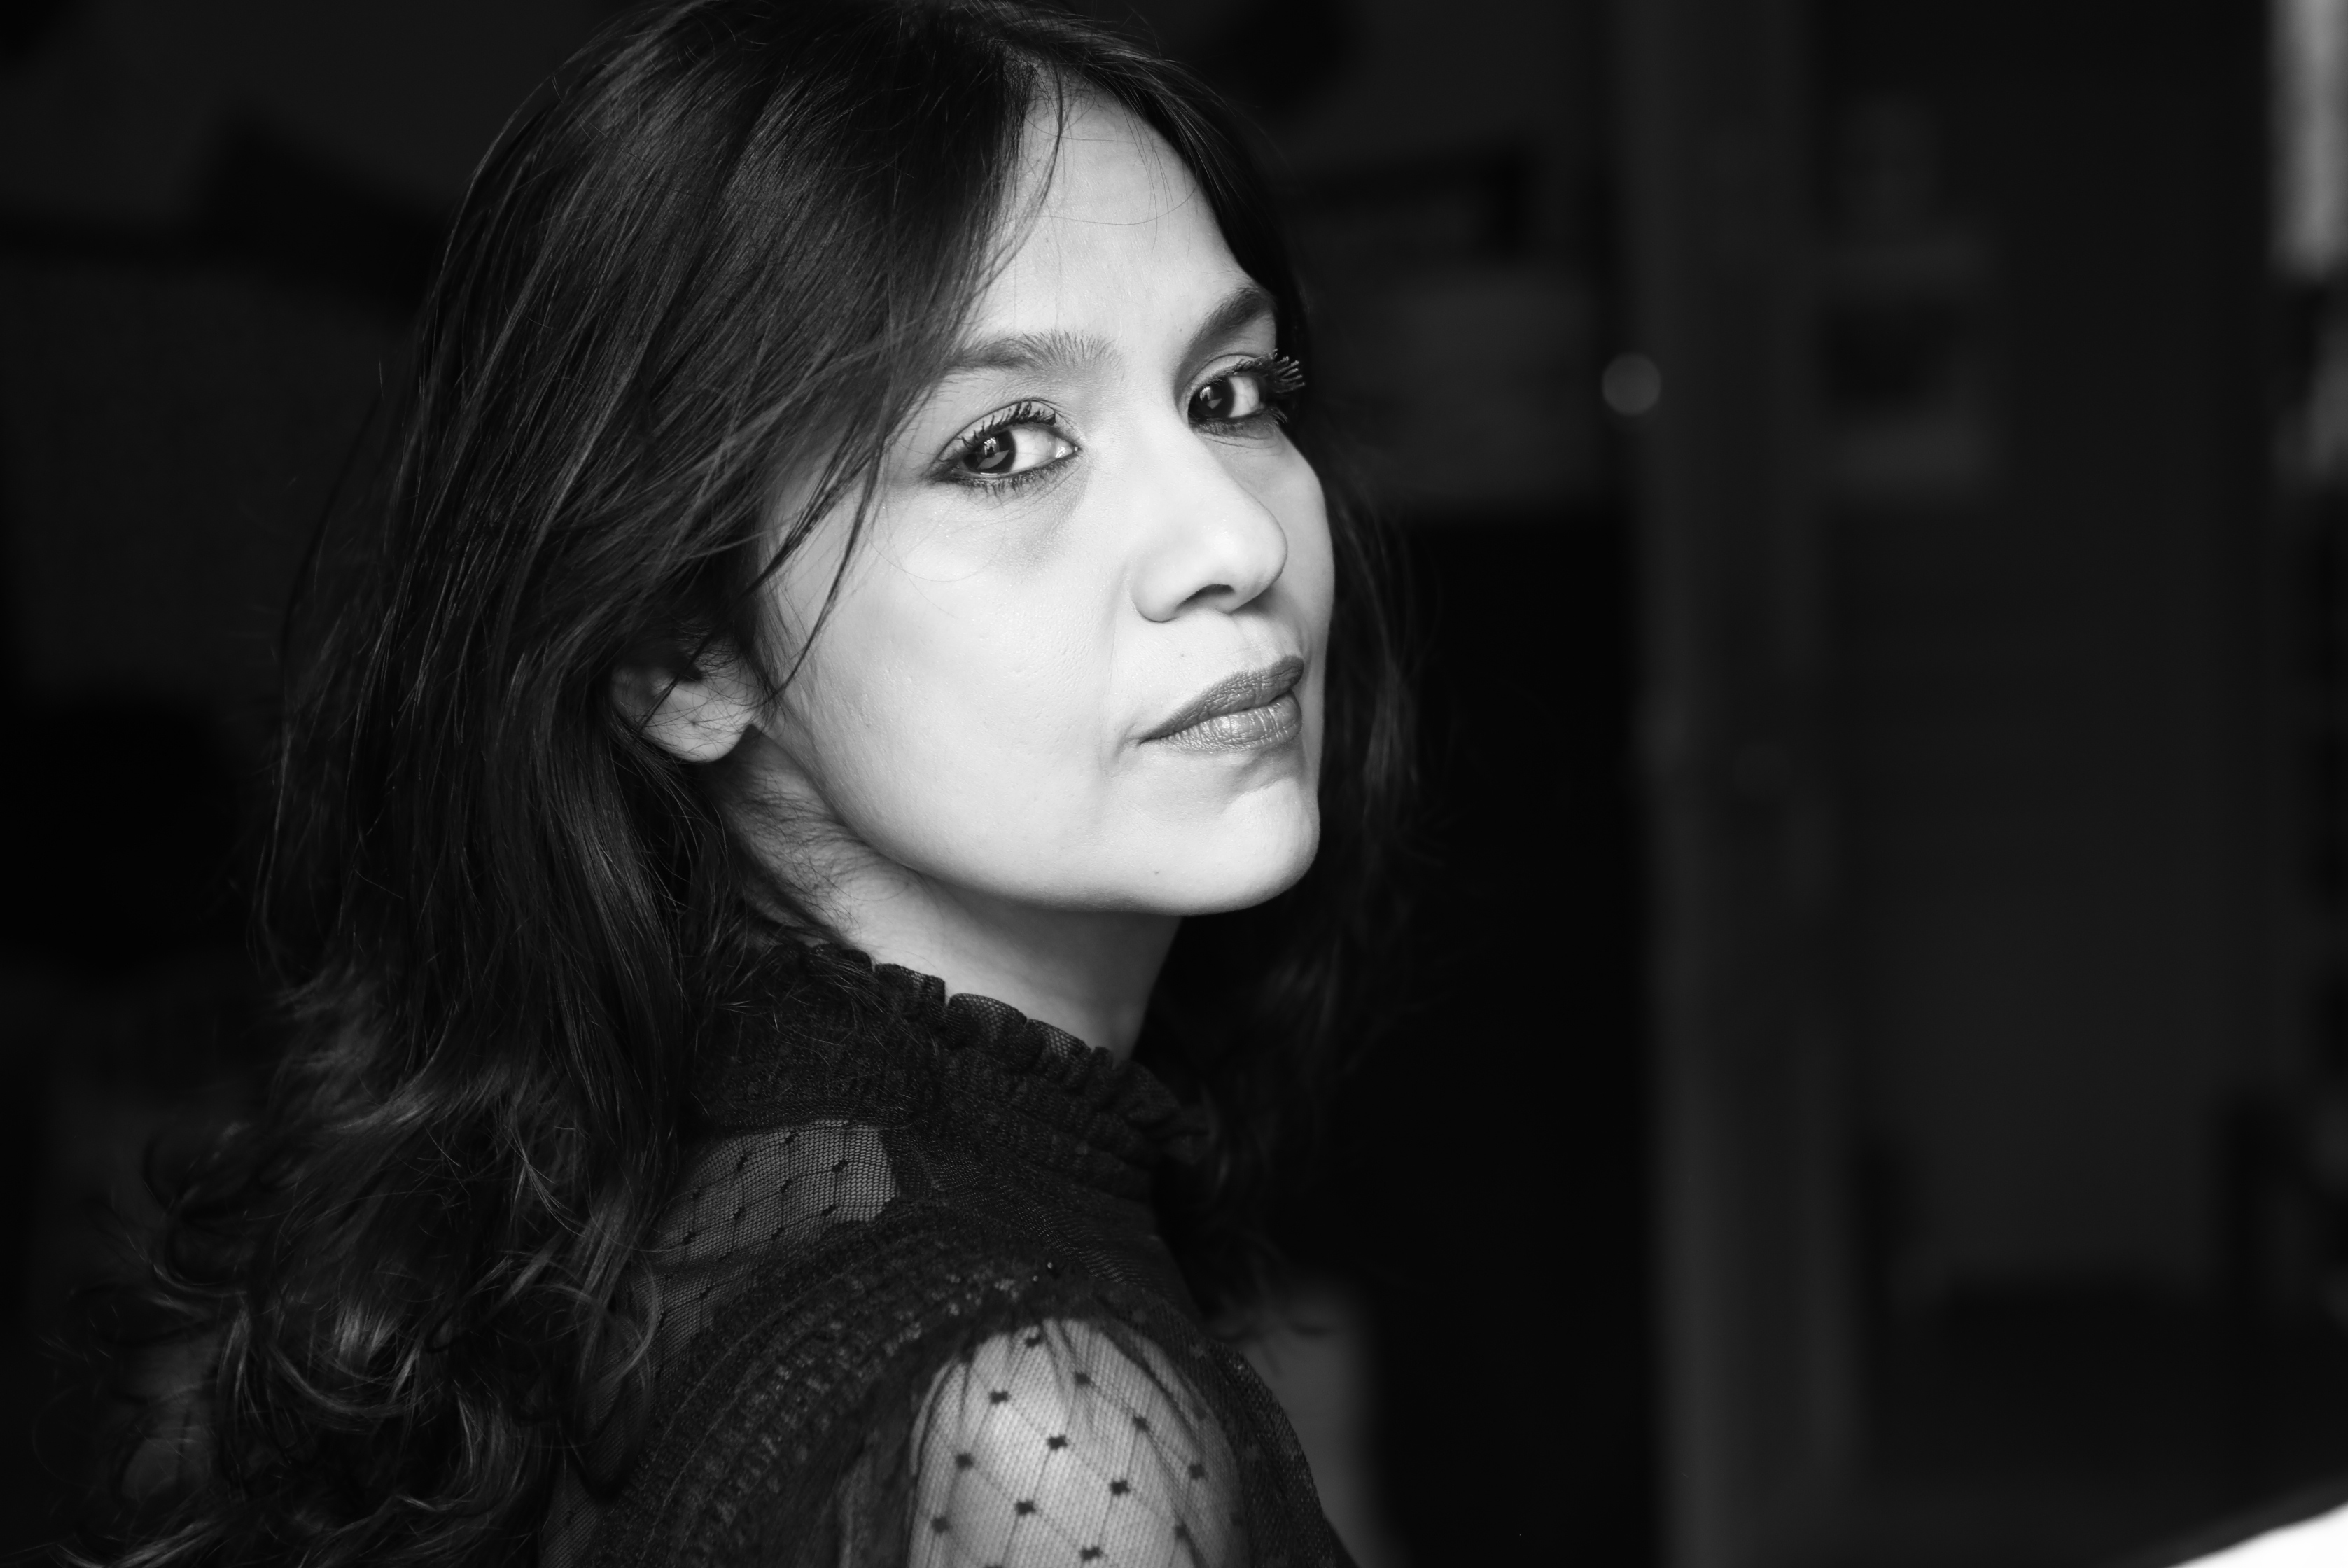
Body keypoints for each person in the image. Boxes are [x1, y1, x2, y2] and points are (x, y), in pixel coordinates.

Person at [88, 2, 1411, 1565]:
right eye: (1004, 447)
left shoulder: (646, 1203)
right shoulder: (1034, 1432)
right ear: (682, 654)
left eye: (1229, 395)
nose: (1237, 540)